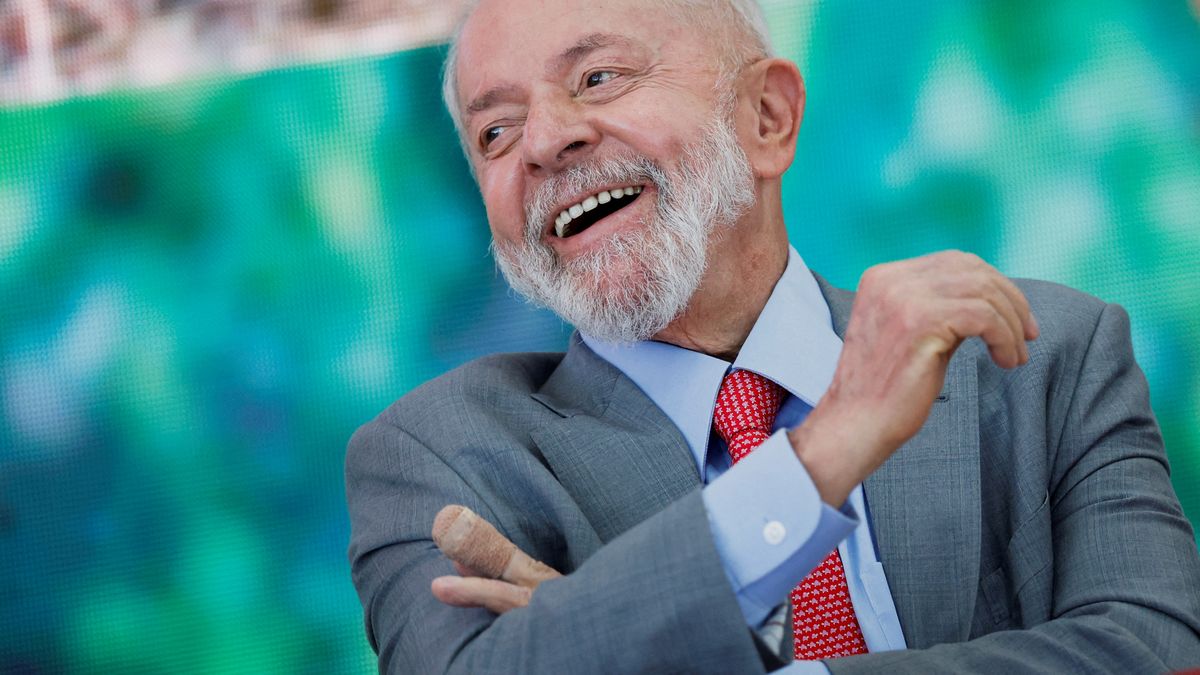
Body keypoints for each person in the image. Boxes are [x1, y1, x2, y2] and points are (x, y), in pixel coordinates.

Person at [344, 0, 1200, 672]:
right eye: (494, 132)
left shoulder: (1048, 355)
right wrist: (821, 455)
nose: (542, 141)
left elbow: (1155, 650)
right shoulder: (435, 455)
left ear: (768, 117)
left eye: (598, 78)